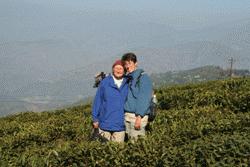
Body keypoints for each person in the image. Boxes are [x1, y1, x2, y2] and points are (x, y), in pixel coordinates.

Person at [92, 60, 128, 142]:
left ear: (124, 70)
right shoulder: (105, 83)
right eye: (116, 68)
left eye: (121, 68)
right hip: (105, 123)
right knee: (103, 152)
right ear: (112, 69)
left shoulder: (127, 83)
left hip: (120, 124)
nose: (118, 70)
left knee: (118, 152)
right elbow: (98, 101)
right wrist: (95, 118)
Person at [121, 52, 153, 140]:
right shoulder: (129, 78)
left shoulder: (143, 78)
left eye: (129, 63)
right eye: (125, 64)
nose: (127, 66)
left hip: (136, 117)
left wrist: (139, 117)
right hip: (128, 116)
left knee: (137, 145)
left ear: (136, 63)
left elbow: (144, 98)